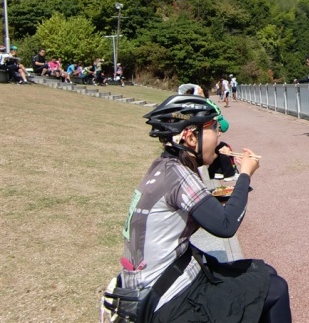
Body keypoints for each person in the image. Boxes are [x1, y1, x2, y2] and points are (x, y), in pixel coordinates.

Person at [102, 94, 291, 322]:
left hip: (159, 282)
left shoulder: (164, 166)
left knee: (264, 273)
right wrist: (244, 176)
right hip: (167, 298)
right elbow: (225, 225)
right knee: (276, 288)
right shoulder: (180, 175)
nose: (220, 134)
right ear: (191, 137)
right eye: (214, 128)